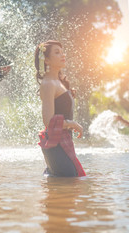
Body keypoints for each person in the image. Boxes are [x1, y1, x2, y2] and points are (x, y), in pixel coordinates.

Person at [34, 40, 86, 177]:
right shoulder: (48, 83)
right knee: (68, 185)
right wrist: (72, 124)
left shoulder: (58, 82)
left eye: (62, 52)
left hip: (62, 143)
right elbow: (48, 121)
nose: (62, 55)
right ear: (46, 60)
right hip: (56, 145)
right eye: (57, 52)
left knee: (66, 189)